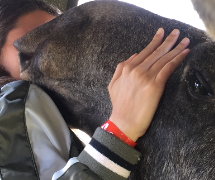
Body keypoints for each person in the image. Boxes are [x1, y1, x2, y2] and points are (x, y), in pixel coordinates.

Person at [0, 0, 190, 179]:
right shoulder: (12, 101)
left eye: (62, 37)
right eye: (28, 52)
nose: (55, 55)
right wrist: (120, 130)